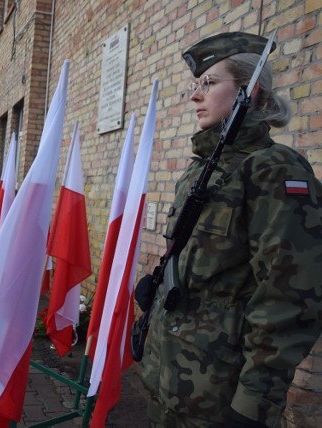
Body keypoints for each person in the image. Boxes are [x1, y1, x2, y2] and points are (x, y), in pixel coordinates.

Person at [137, 32, 322, 428]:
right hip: (169, 382)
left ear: (248, 90)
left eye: (209, 83)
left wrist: (253, 405)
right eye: (195, 84)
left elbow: (289, 300)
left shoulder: (273, 169)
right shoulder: (201, 169)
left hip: (219, 400)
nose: (195, 96)